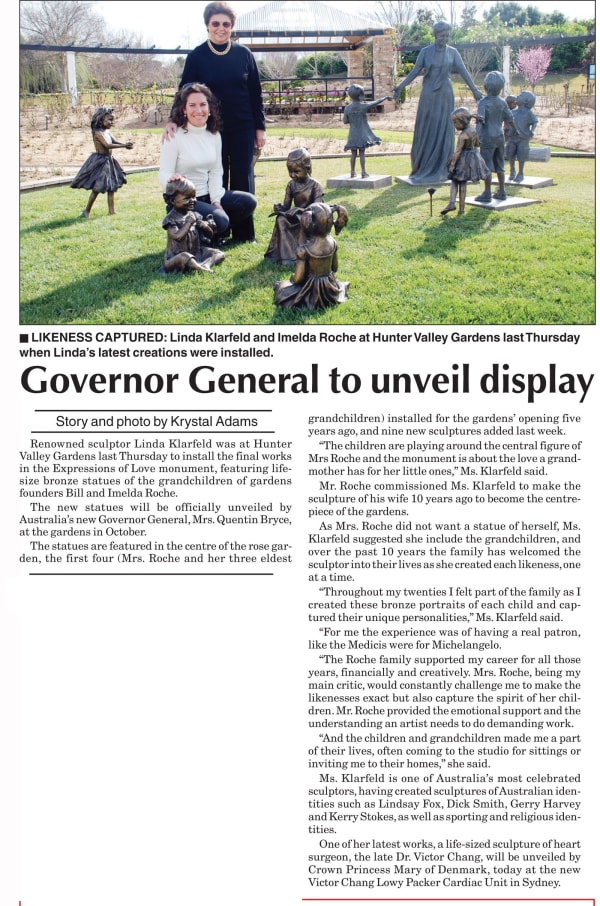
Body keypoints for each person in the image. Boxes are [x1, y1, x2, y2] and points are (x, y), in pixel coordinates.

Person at [163, 2, 266, 242]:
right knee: (215, 179)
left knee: (243, 177)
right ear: (208, 26)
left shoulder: (244, 55)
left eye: (226, 24)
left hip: (243, 127)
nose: (221, 28)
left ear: (232, 27)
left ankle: (244, 234)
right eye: (216, 24)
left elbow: (256, 93)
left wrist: (260, 128)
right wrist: (172, 119)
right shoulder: (197, 56)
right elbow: (184, 92)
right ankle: (219, 230)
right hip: (211, 129)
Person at [158, 83, 257, 244]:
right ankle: (202, 236)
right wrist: (171, 179)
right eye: (192, 105)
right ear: (184, 109)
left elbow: (216, 170)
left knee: (248, 202)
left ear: (210, 108)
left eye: (203, 104)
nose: (199, 110)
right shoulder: (174, 136)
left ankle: (210, 234)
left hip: (208, 194)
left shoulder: (214, 134)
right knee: (221, 221)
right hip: (185, 202)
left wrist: (216, 200)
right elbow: (163, 173)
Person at [393, 21, 483, 185]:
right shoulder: (425, 52)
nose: (445, 38)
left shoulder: (453, 52)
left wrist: (475, 90)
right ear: (435, 35)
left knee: (444, 129)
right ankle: (423, 167)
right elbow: (415, 71)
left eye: (447, 35)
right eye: (442, 36)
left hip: (445, 95)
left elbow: (463, 71)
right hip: (428, 95)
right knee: (427, 128)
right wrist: (400, 86)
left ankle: (443, 167)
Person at [274, 203, 349, 311]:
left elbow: (298, 279)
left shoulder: (304, 250)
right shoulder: (333, 244)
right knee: (339, 286)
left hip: (309, 288)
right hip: (329, 287)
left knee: (282, 288)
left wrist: (292, 277)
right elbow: (334, 268)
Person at [264, 148, 325, 266]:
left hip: (311, 218)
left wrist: (301, 210)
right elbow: (287, 205)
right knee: (281, 220)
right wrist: (280, 208)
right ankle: (286, 257)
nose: (292, 175)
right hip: (296, 216)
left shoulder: (315, 185)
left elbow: (318, 208)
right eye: (290, 171)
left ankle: (302, 255)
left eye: (296, 171)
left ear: (307, 168)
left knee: (303, 221)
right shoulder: (291, 185)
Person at [70, 106, 133, 217]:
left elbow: (115, 141)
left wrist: (125, 144)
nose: (111, 122)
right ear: (101, 118)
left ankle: (112, 210)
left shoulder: (107, 132)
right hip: (100, 162)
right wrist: (123, 146)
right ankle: (87, 211)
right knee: (97, 188)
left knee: (112, 186)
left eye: (113, 120)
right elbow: (107, 145)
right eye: (109, 119)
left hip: (109, 162)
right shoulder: (97, 133)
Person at [160, 176, 226, 273]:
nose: (193, 200)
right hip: (177, 256)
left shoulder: (194, 215)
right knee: (185, 257)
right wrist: (189, 223)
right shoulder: (171, 219)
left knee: (219, 253)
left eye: (194, 197)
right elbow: (177, 236)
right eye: (187, 198)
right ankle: (200, 269)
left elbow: (210, 235)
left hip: (197, 252)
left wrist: (205, 226)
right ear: (172, 200)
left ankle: (206, 264)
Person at [474, 71, 515, 203]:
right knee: (500, 164)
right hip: (499, 137)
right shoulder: (502, 102)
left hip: (487, 138)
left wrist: (476, 137)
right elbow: (510, 117)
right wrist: (516, 131)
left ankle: (487, 192)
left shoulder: (483, 103)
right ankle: (502, 191)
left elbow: (481, 121)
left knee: (487, 166)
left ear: (486, 86)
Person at [441, 108, 490, 216]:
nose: (454, 125)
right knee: (463, 183)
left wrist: (452, 165)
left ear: (463, 121)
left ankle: (452, 202)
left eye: (455, 123)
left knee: (454, 180)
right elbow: (477, 144)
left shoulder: (463, 135)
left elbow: (458, 151)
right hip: (473, 158)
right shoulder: (473, 130)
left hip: (463, 159)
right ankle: (461, 209)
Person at [342, 84, 393, 178]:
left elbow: (345, 121)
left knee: (353, 153)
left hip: (353, 134)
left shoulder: (347, 108)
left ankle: (352, 172)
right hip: (362, 134)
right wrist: (385, 97)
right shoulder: (363, 106)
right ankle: (363, 172)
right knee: (361, 153)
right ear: (360, 96)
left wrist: (352, 119)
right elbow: (376, 102)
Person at [506, 91, 538, 182]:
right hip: (512, 137)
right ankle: (512, 171)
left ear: (525, 101)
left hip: (523, 138)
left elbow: (534, 122)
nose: (518, 96)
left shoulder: (528, 113)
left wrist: (532, 131)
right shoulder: (513, 112)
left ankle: (520, 173)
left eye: (521, 95)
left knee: (521, 155)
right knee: (510, 153)